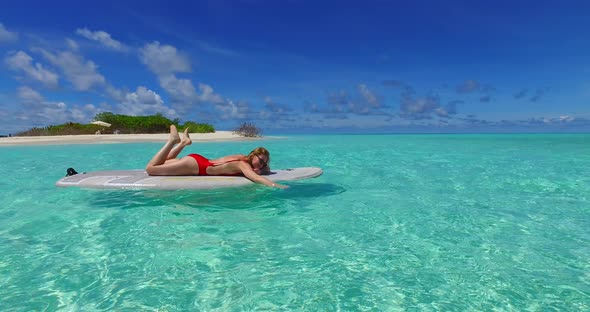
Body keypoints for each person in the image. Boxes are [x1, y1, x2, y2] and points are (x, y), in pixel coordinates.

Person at [145, 125, 288, 189]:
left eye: (264, 163)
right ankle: (172, 141)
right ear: (254, 155)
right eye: (261, 160)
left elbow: (260, 171)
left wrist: (263, 168)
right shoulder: (243, 165)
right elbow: (256, 178)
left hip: (199, 160)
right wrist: (277, 186)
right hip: (197, 166)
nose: (262, 165)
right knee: (151, 169)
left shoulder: (242, 157)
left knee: (165, 161)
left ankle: (183, 143)